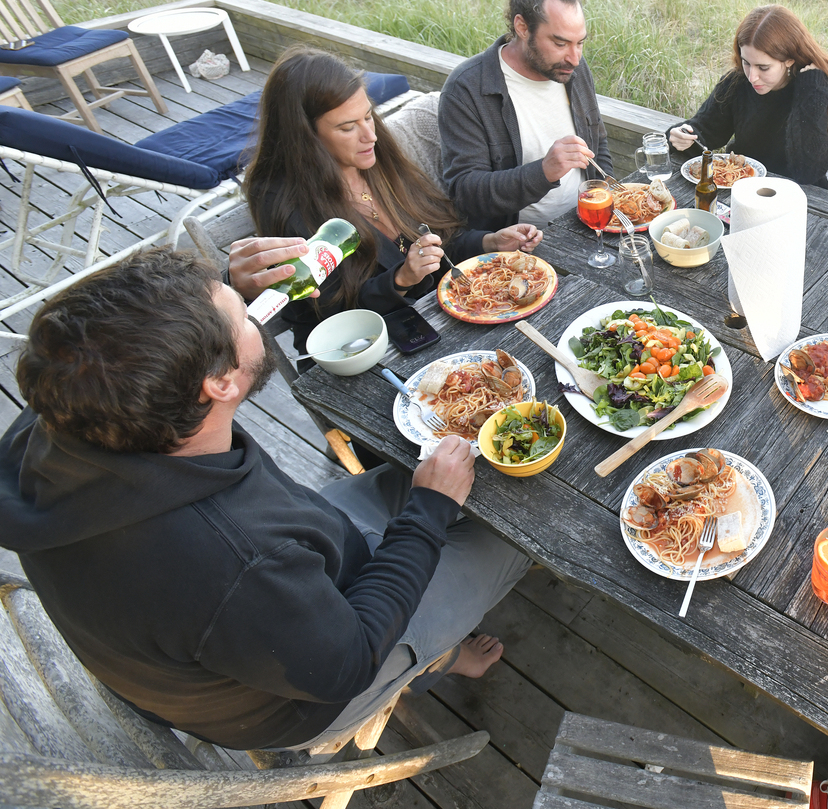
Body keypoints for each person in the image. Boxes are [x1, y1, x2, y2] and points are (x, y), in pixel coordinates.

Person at [0, 247, 531, 752]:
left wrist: (213, 299)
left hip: (248, 607)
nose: (258, 317)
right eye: (246, 317)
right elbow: (346, 661)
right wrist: (429, 512)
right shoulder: (230, 561)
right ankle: (428, 659)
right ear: (219, 383)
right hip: (300, 689)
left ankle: (432, 640)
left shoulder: (64, 408)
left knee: (442, 481)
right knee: (511, 527)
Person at [242, 46, 541, 353]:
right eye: (347, 127)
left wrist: (489, 242)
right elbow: (330, 313)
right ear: (306, 137)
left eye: (368, 116)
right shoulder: (285, 204)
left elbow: (434, 240)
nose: (369, 135)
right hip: (362, 351)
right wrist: (400, 279)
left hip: (432, 318)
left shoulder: (374, 156)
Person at [440, 0, 611, 230]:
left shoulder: (572, 68)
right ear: (522, 27)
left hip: (587, 224)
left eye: (580, 42)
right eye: (560, 43)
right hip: (517, 246)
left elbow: (598, 141)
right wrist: (544, 171)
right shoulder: (467, 88)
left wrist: (603, 195)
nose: (575, 57)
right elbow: (465, 193)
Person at [666, 5, 828, 190]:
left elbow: (808, 171)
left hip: (801, 200)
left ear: (790, 59)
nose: (752, 77)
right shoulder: (738, 83)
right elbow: (704, 133)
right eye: (746, 63)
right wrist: (680, 136)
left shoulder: (814, 91)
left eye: (763, 67)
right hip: (741, 190)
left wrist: (811, 88)